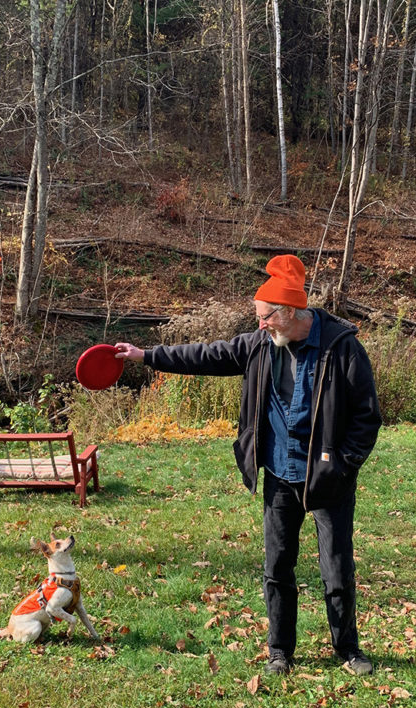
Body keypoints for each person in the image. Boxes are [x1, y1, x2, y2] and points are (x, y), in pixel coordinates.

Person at [114, 254, 382, 676]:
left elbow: (367, 416)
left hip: (327, 480)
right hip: (278, 474)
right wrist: (146, 355)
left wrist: (342, 465)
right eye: (257, 317)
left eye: (265, 317)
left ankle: (347, 648)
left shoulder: (340, 347)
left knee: (337, 569)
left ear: (290, 311)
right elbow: (205, 356)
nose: (259, 324)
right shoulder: (260, 345)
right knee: (277, 567)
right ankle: (280, 650)